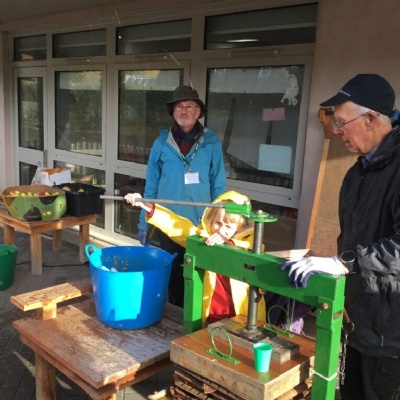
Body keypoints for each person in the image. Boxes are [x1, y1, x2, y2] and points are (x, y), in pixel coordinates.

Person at [281, 74, 400, 400]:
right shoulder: (356, 174)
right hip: (356, 324)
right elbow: (351, 238)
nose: (335, 131)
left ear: (372, 119)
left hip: (390, 338)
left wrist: (344, 263)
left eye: (342, 122)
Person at [138, 85, 226, 308]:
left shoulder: (211, 143)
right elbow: (151, 186)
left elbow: (218, 185)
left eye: (189, 106)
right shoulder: (161, 144)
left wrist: (219, 223)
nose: (183, 111)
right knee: (174, 277)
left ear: (198, 112)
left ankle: (196, 319)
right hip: (168, 222)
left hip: (200, 224)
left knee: (199, 275)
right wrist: (143, 223)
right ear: (173, 112)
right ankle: (176, 318)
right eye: (179, 106)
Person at [127, 190, 266, 324]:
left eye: (228, 227)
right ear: (211, 219)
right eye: (218, 223)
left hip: (241, 318)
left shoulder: (251, 243)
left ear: (241, 227)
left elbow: (246, 249)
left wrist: (228, 243)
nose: (221, 230)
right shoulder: (205, 239)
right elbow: (177, 226)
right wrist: (150, 207)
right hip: (211, 315)